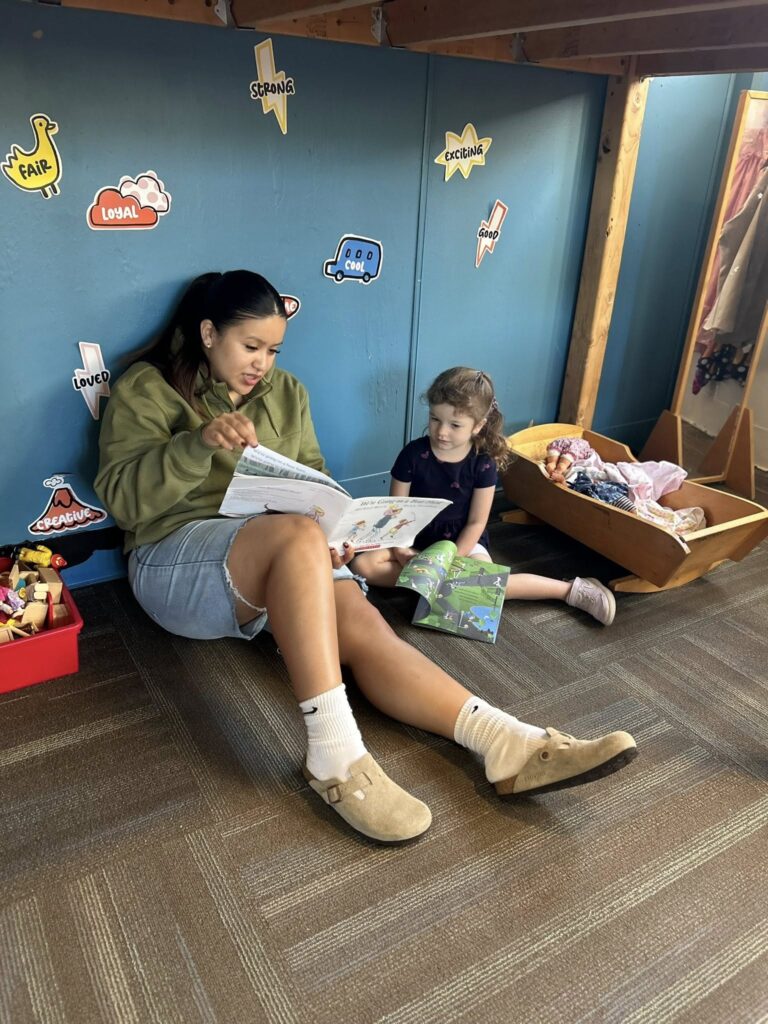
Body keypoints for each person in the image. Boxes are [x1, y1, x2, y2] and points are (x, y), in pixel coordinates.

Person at [95, 271, 637, 845]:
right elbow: (125, 504)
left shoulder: (287, 393)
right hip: (175, 562)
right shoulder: (147, 388)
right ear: (208, 333)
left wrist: (337, 533)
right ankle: (334, 757)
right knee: (296, 537)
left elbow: (312, 477)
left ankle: (506, 743)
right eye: (251, 346)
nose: (262, 364)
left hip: (281, 552)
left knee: (367, 629)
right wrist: (197, 444)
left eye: (273, 350)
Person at [352, 367, 616, 625]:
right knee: (363, 567)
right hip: (416, 539)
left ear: (478, 426)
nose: (441, 431)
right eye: (434, 419)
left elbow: (476, 523)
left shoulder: (482, 463)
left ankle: (568, 590)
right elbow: (396, 514)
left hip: (463, 543)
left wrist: (452, 560)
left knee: (489, 585)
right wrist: (401, 551)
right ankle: (437, 585)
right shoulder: (412, 454)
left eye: (455, 425)